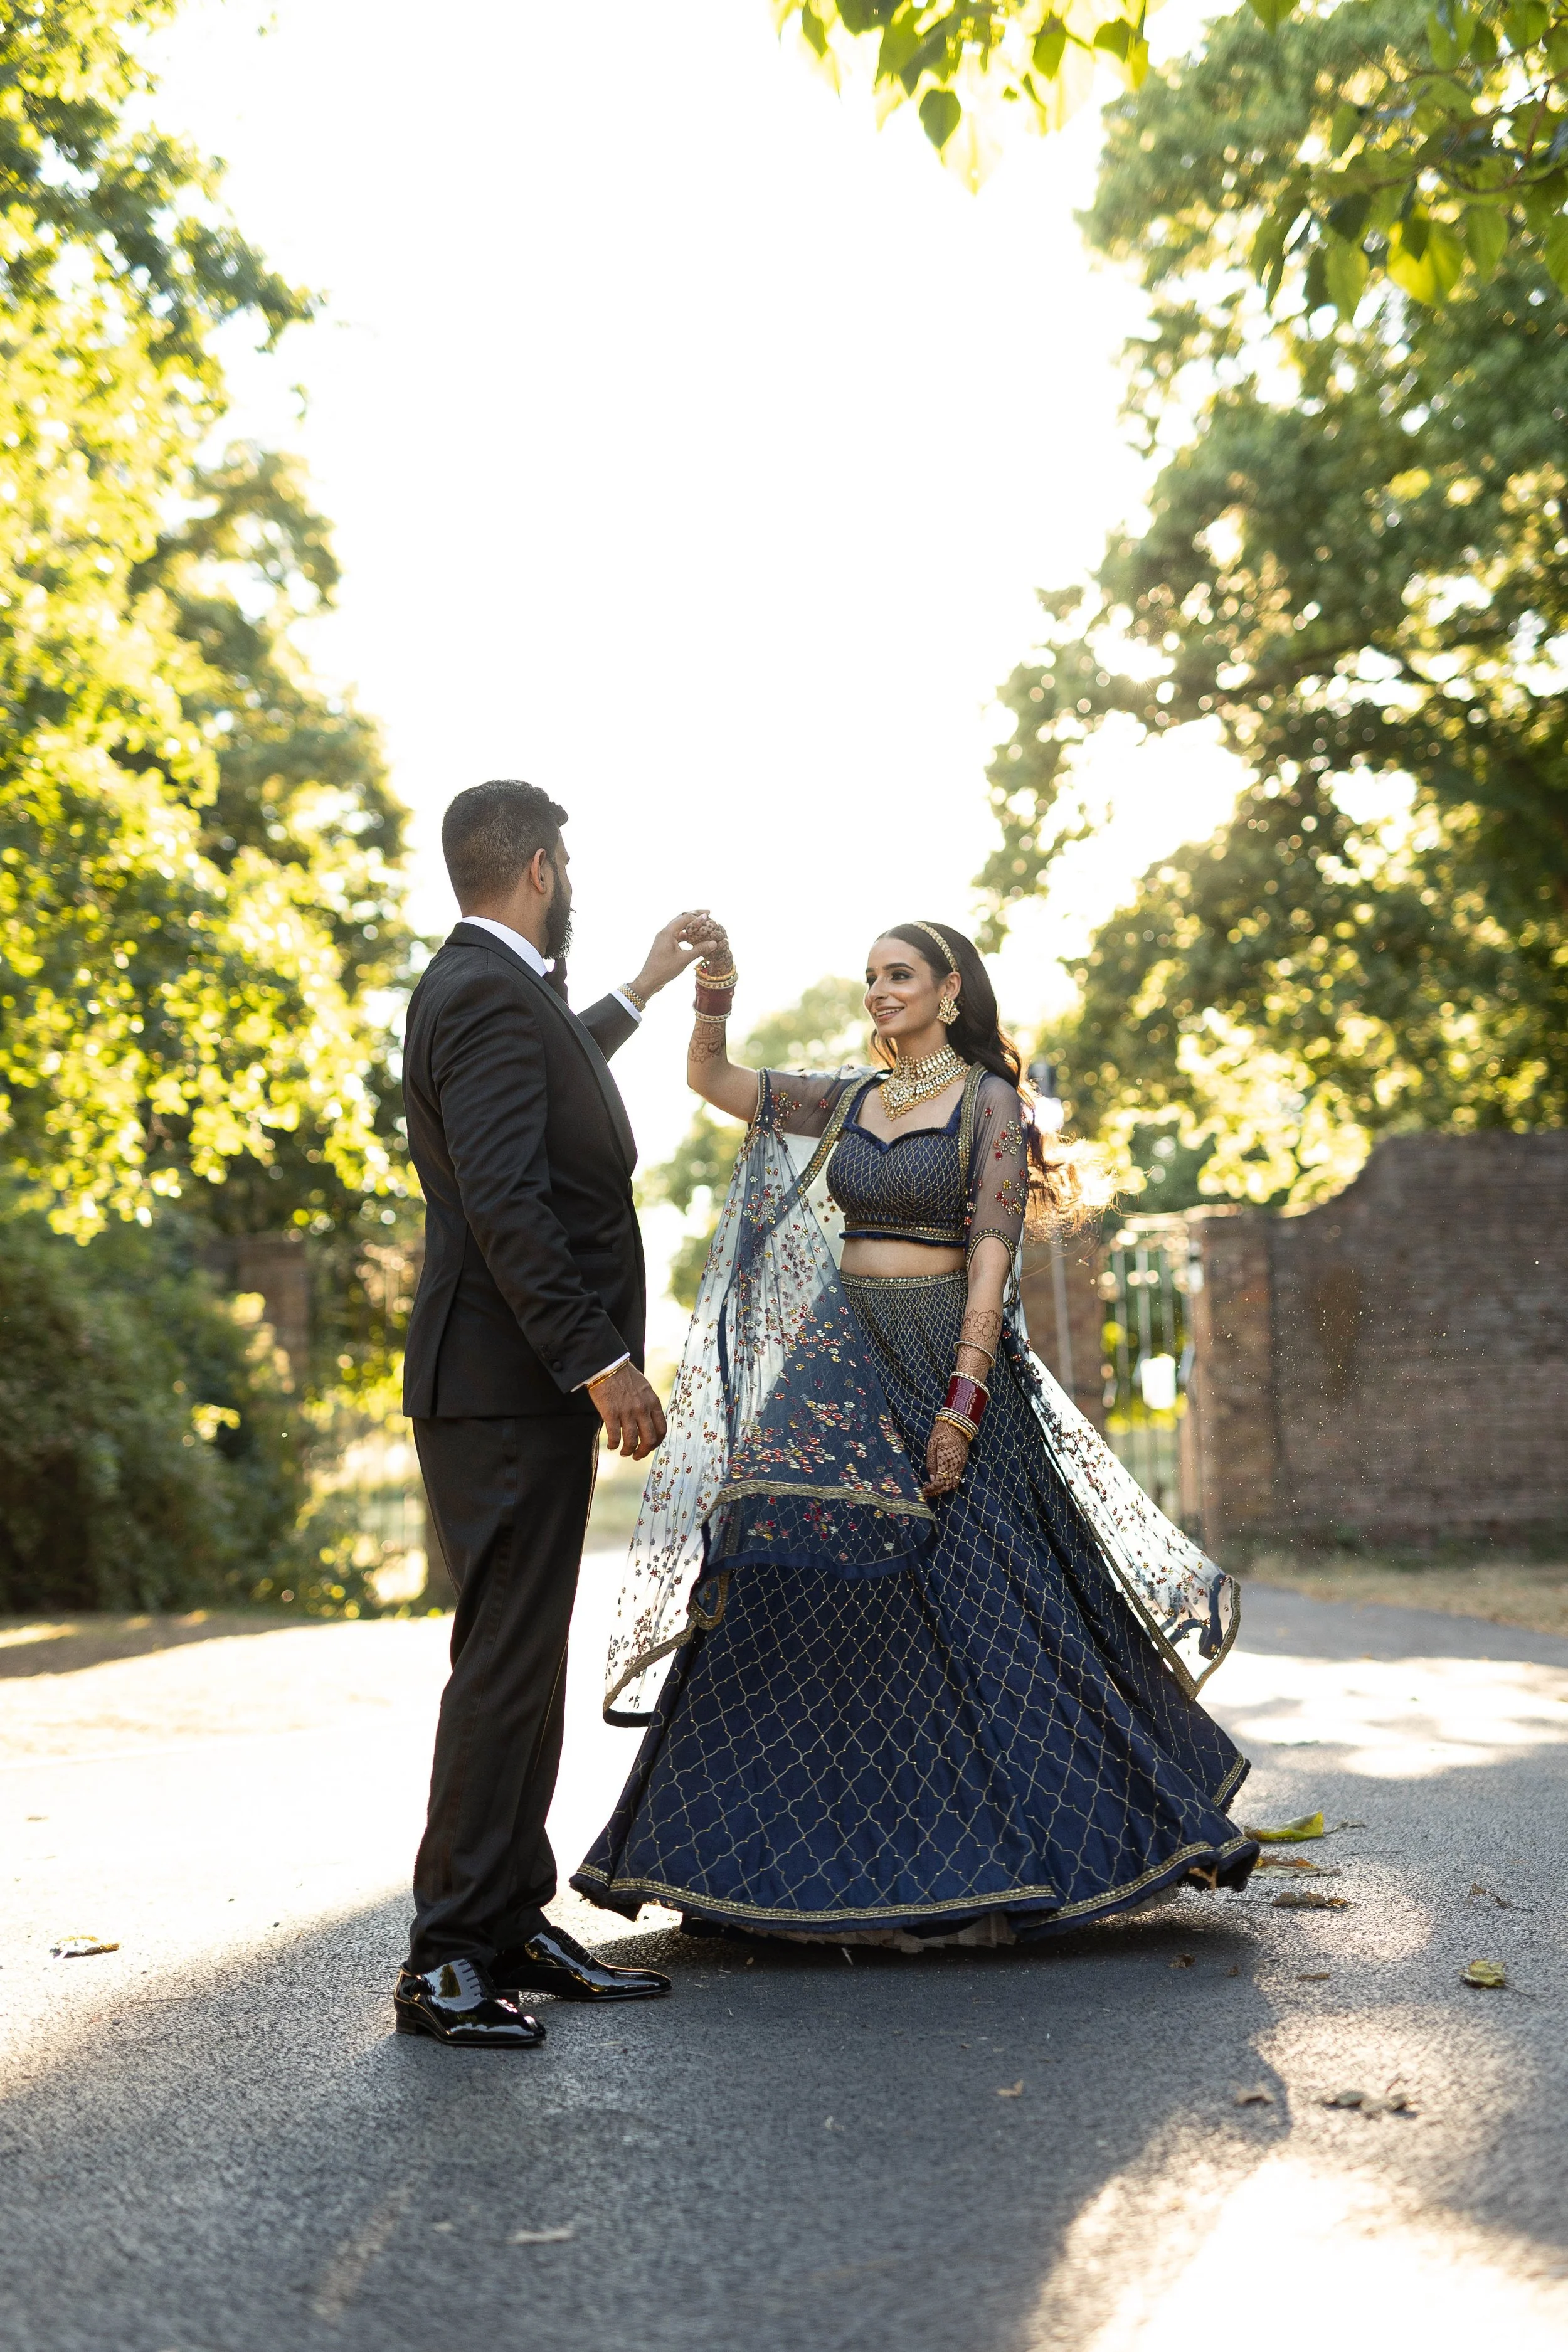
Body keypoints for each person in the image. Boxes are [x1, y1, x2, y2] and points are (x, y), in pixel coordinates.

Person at [574, 920, 1258, 1948]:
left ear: (949, 992)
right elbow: (711, 1077)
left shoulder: (988, 1102)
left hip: (945, 1354)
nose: (879, 992)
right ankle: (778, 1871)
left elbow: (992, 1253)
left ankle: (1003, 1860)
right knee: (794, 1593)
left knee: (987, 1600)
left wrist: (963, 1400)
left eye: (900, 976)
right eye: (871, 978)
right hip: (842, 1361)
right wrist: (712, 984)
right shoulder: (846, 1096)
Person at [394, 778, 723, 2048]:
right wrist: (602, 1363)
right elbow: (503, 1200)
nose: (571, 882)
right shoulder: (480, 991)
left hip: (513, 1387)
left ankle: (508, 1920)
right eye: (568, 865)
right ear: (537, 867)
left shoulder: (495, 988)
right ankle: (441, 1962)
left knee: (524, 1665)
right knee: (500, 1667)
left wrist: (637, 987)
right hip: (500, 1384)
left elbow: (557, 1058)